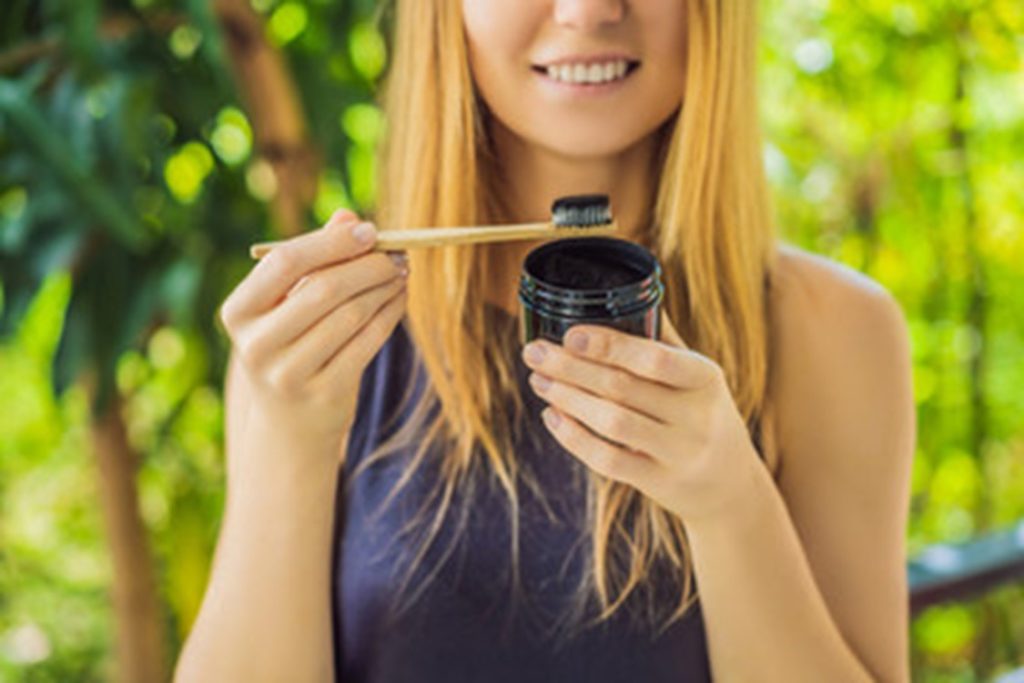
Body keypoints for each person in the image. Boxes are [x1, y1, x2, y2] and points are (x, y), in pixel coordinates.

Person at [175, 1, 915, 681]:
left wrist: (730, 503)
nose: (589, 9)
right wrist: (288, 443)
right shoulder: (321, 341)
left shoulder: (836, 331)